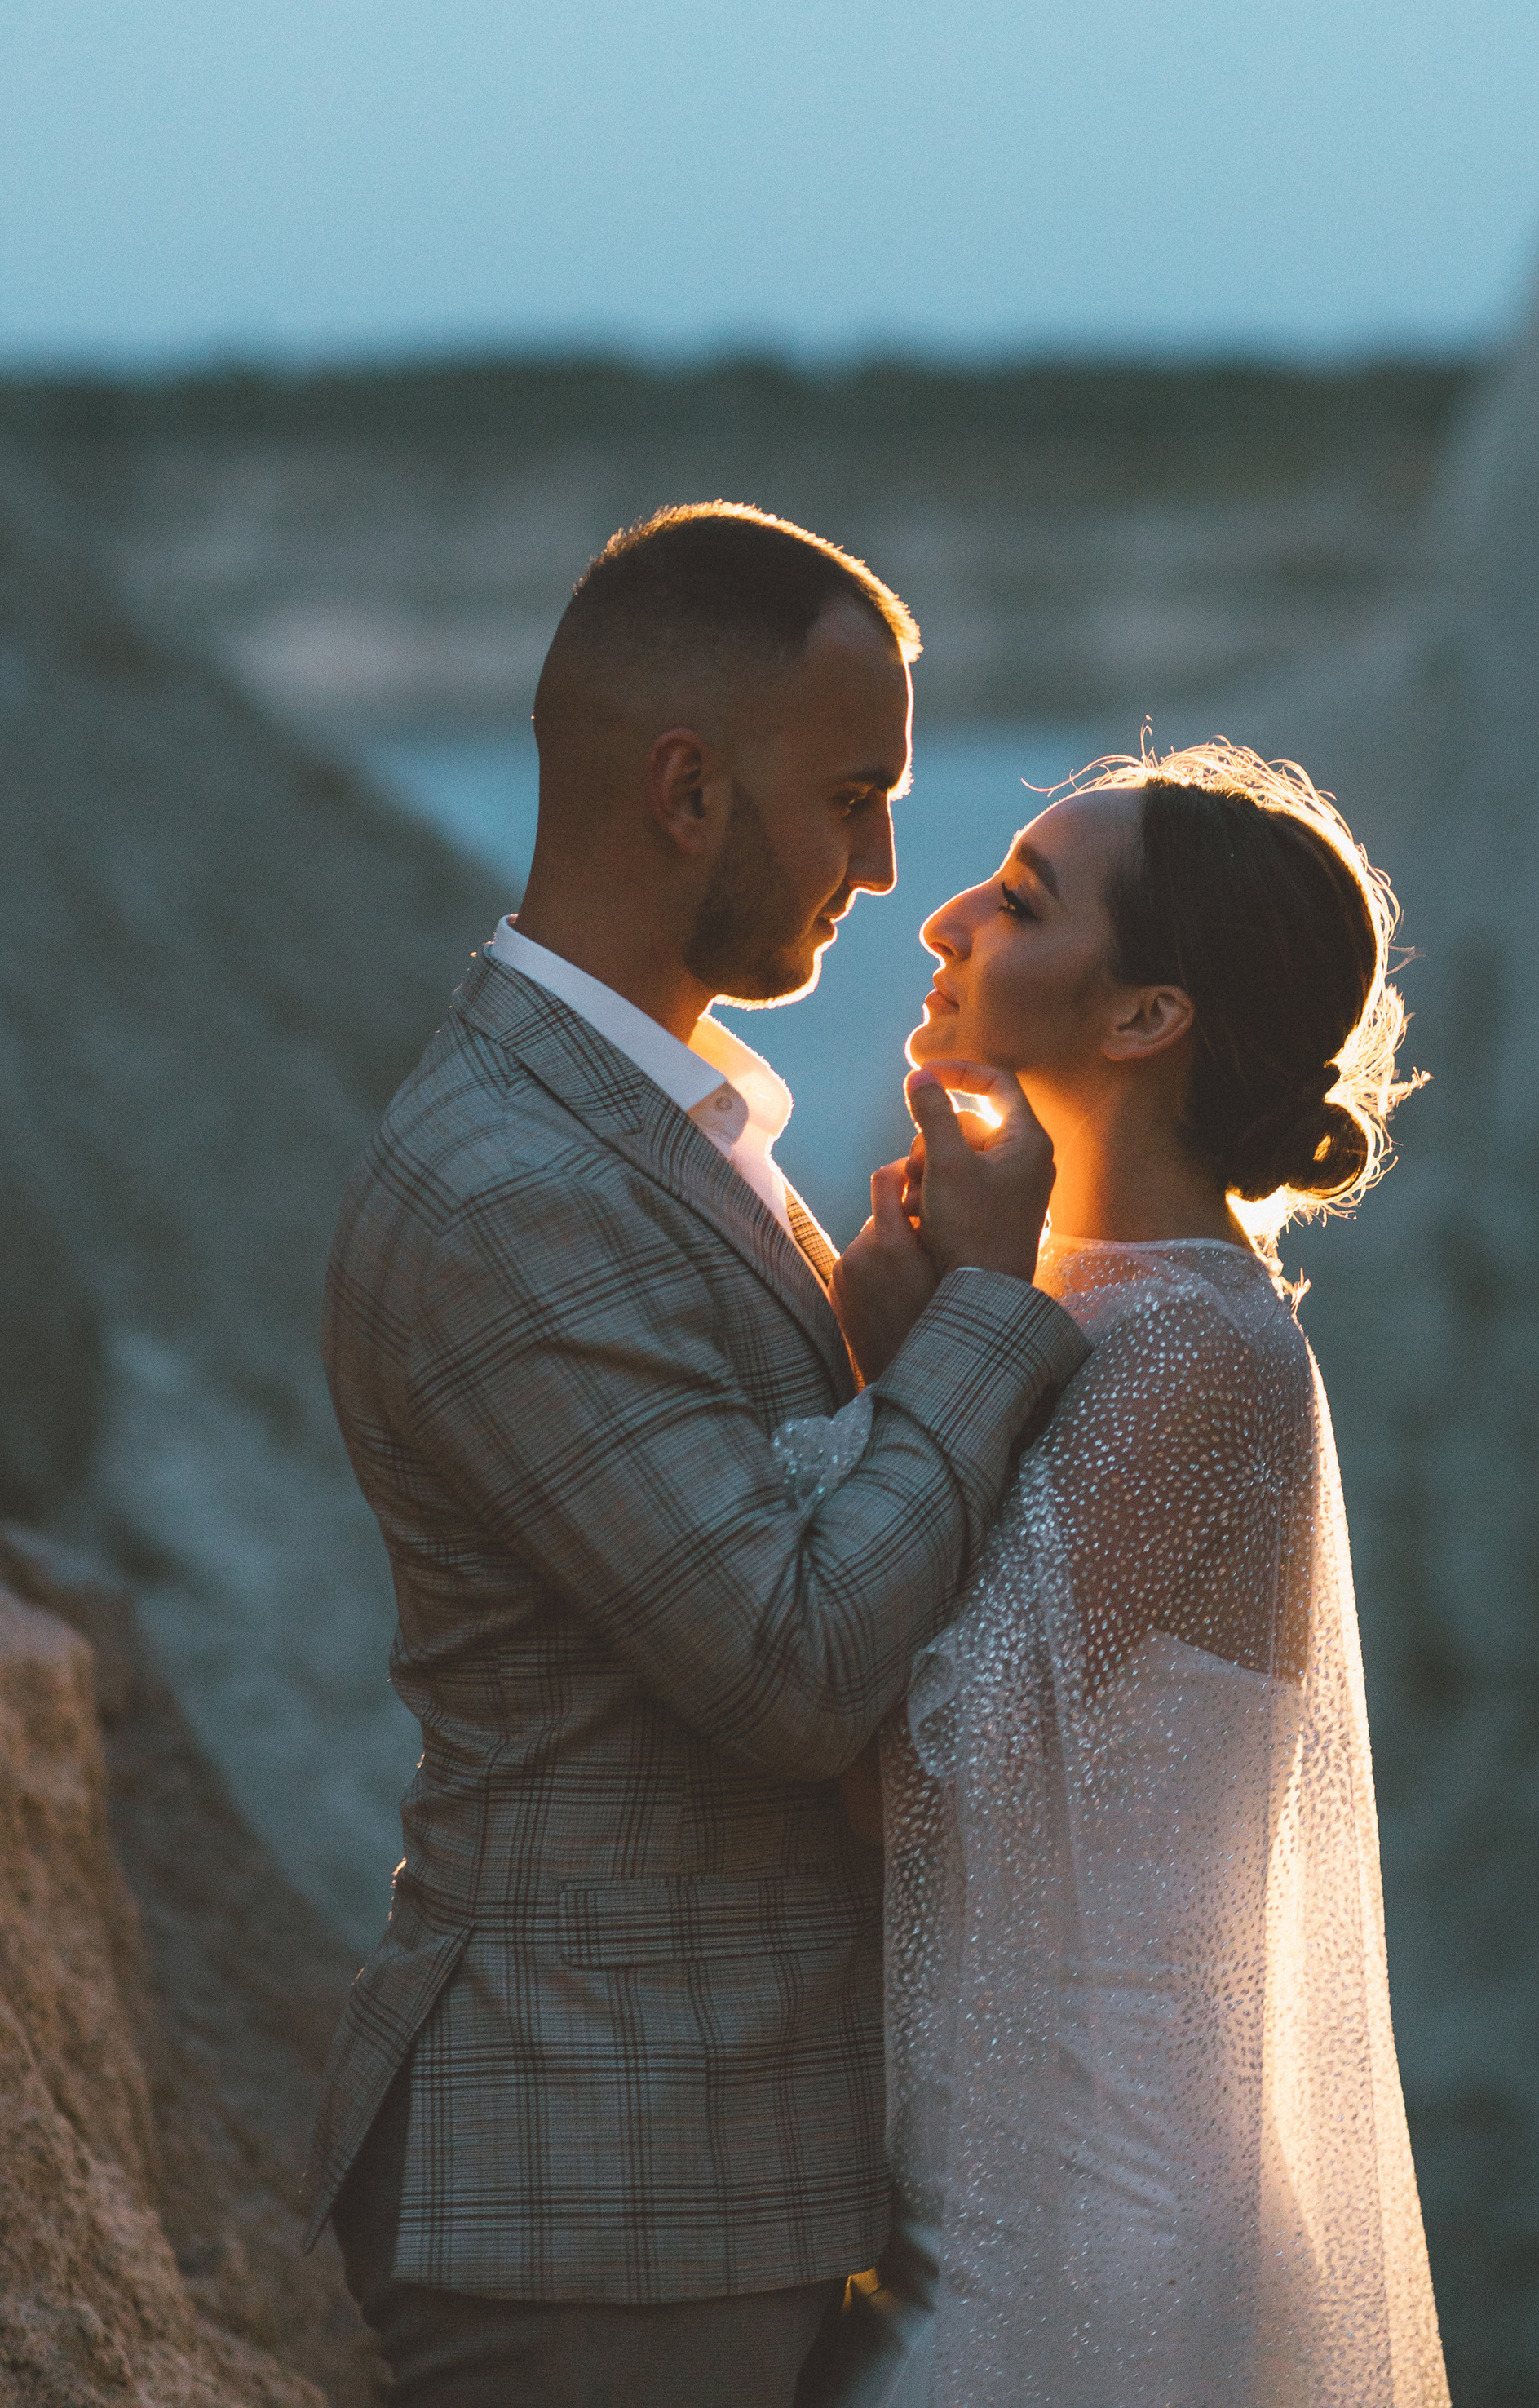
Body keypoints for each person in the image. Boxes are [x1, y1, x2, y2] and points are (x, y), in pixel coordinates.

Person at [302, 504, 1091, 2408]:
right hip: (582, 2195)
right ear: (684, 792)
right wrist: (984, 1314)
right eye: (848, 796)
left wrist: (879, 1338)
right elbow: (788, 1663)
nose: (886, 864)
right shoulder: (510, 1185)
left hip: (678, 2174)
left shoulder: (651, 1124)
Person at [798, 741, 1452, 2408]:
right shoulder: (1078, 1297)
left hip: (1094, 2237)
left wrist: (904, 1373)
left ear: (1142, 1017)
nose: (940, 916)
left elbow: (915, 1775)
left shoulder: (1190, 1350)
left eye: (1018, 903)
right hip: (999, 2194)